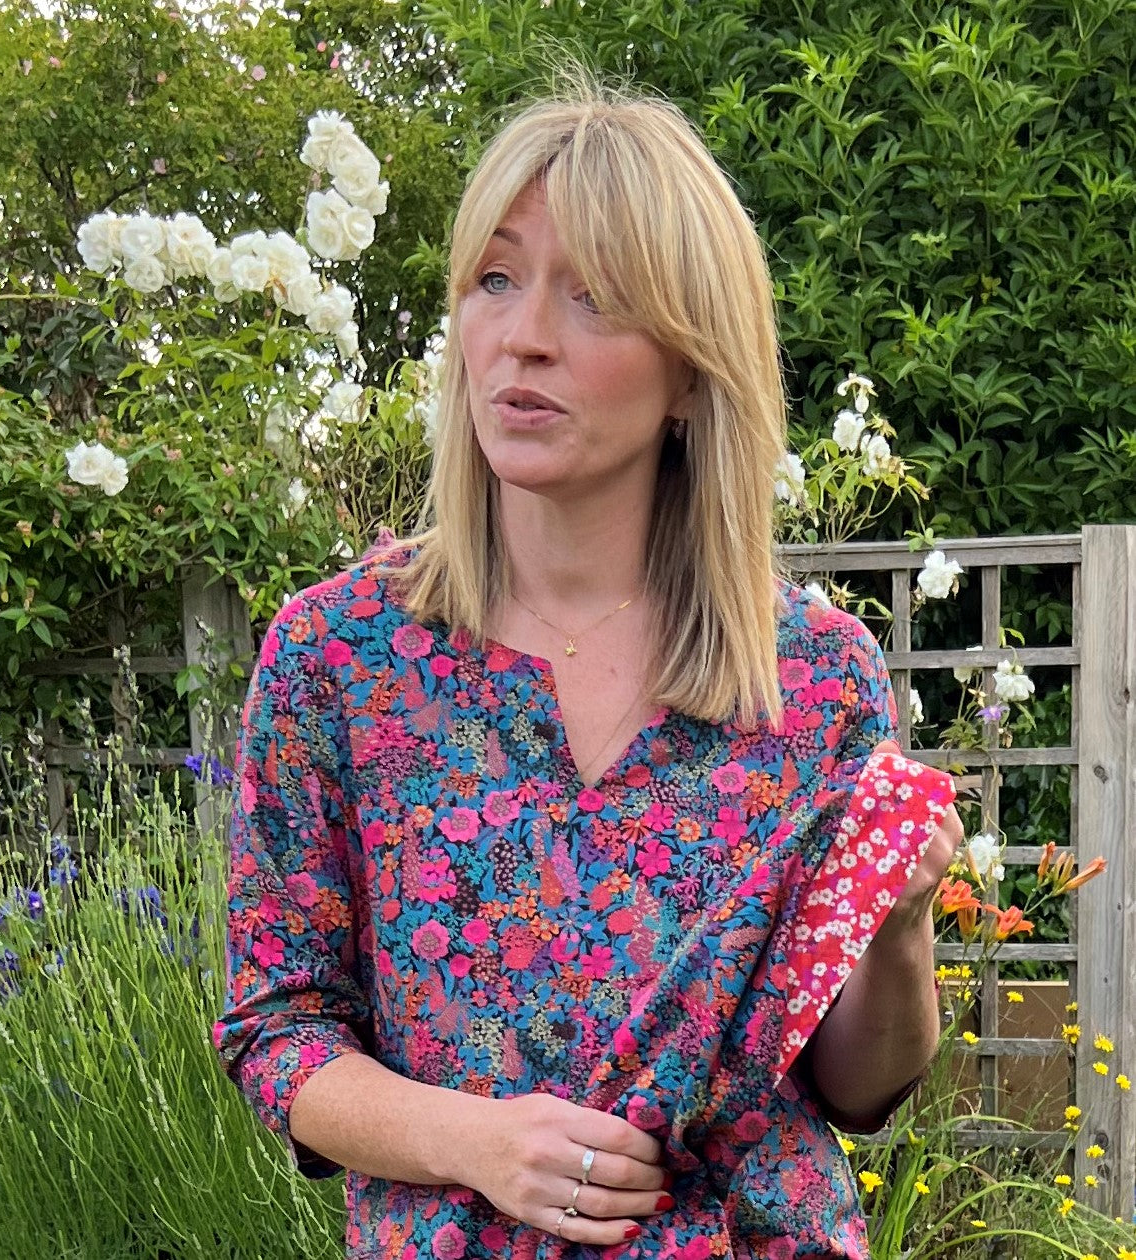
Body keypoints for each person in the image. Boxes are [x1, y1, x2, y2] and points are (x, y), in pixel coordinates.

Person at [214, 78, 962, 1259]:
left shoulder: (812, 677)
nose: (523, 336)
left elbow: (857, 1090)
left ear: (689, 371)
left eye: (594, 297)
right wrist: (473, 1140)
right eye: (494, 279)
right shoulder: (338, 658)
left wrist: (900, 922)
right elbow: (279, 1030)